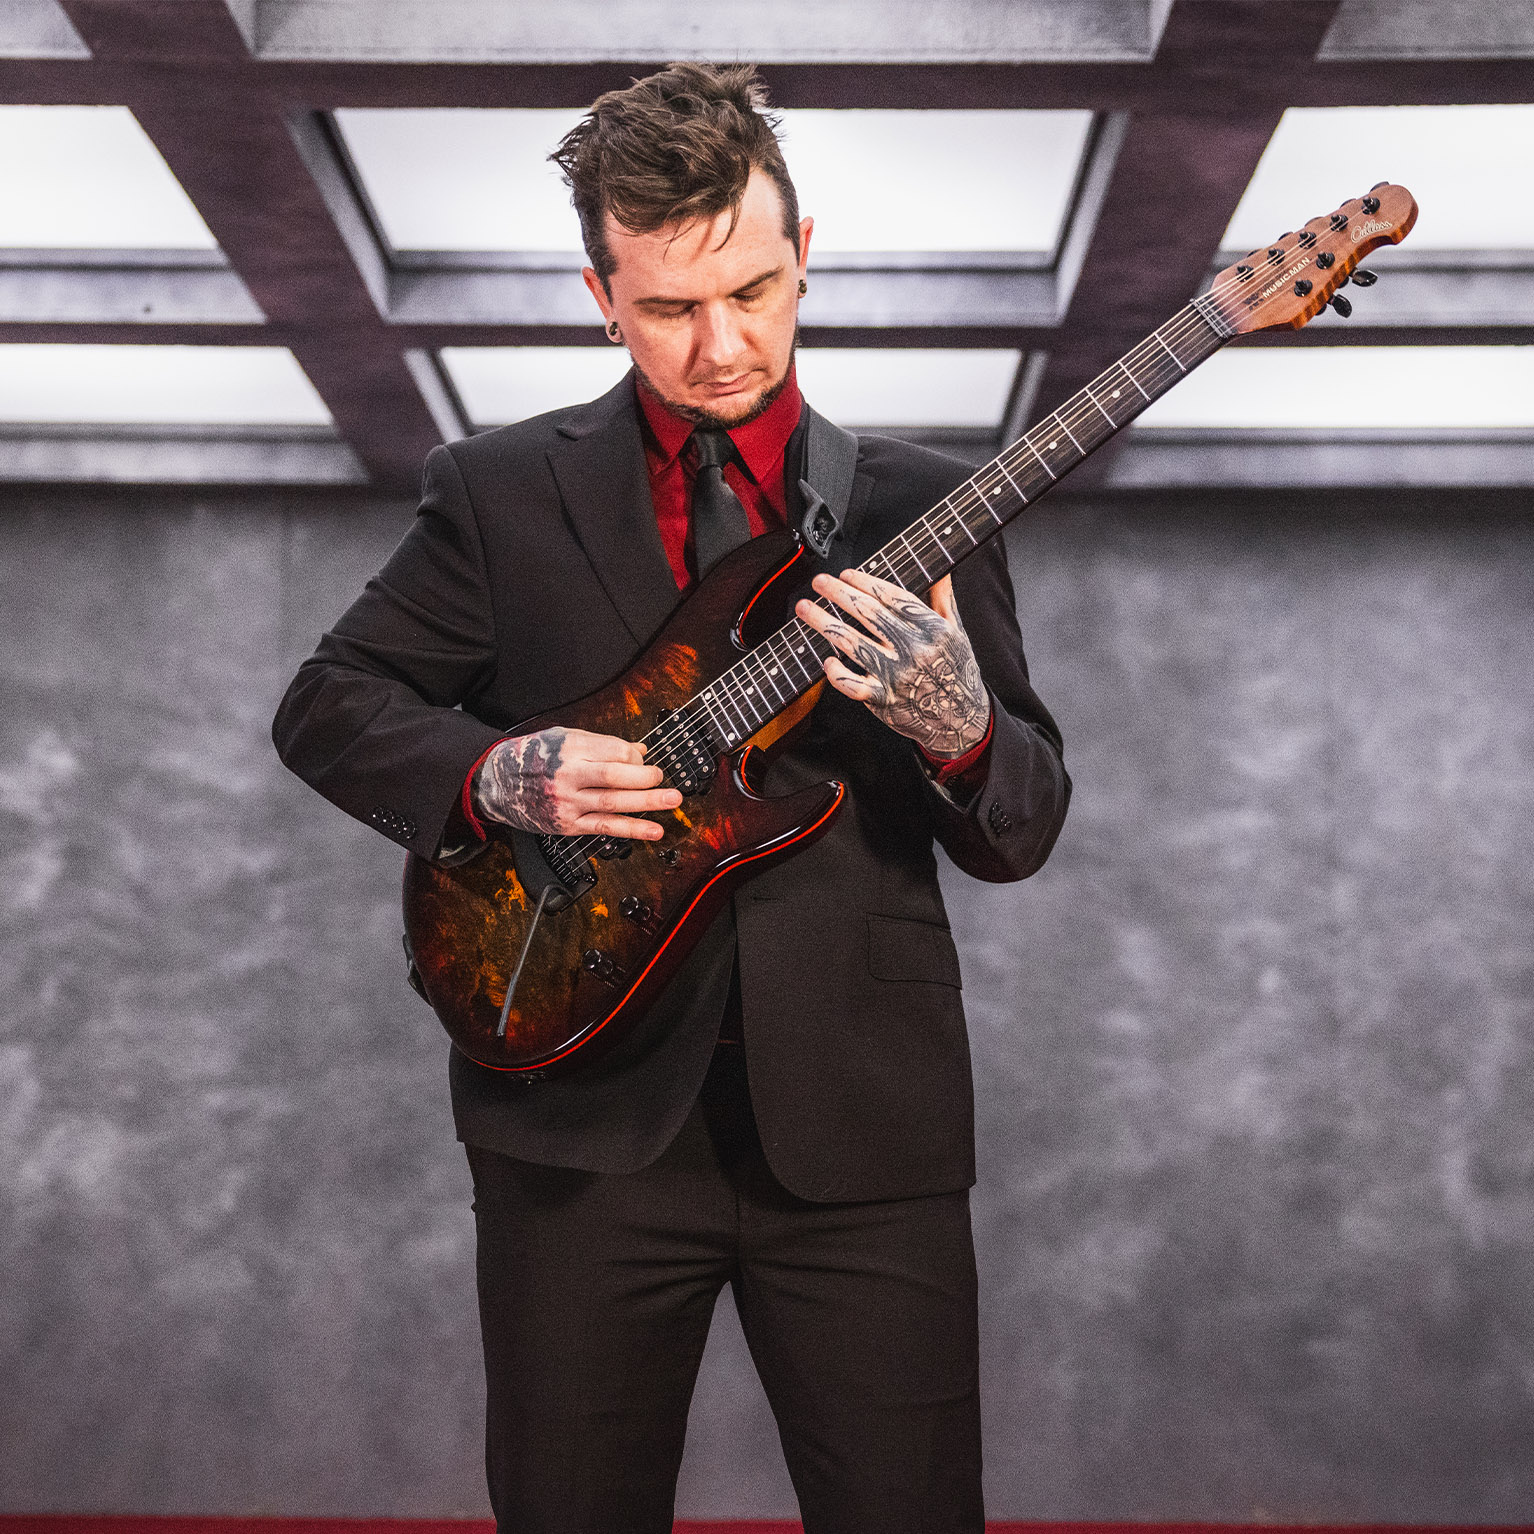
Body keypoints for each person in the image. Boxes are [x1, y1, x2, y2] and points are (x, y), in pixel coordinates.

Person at [273, 61, 1069, 1534]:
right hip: (576, 1119)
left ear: (804, 252)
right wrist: (498, 773)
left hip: (864, 1129)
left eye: (754, 291)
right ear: (601, 295)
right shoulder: (499, 493)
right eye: (667, 308)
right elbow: (329, 705)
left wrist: (959, 725)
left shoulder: (919, 508)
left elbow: (1020, 825)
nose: (721, 345)